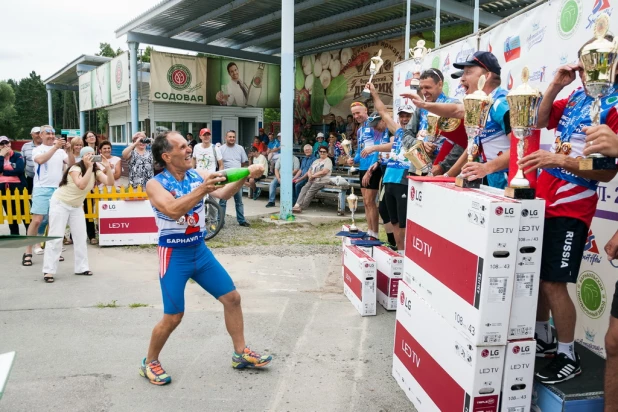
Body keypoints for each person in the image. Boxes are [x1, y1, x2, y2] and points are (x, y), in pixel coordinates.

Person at [139, 131, 271, 385]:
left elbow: (222, 194)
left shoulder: (197, 175)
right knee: (174, 316)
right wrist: (203, 189)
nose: (189, 149)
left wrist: (246, 175)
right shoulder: (156, 184)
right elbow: (173, 209)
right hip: (174, 254)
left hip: (199, 251)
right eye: (182, 146)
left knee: (232, 298)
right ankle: (150, 362)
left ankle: (240, 353)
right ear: (167, 156)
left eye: (188, 145)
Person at [516, 55, 618, 383]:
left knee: (553, 282)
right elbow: (540, 119)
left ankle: (567, 354)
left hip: (573, 203)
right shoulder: (576, 96)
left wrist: (557, 159)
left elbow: (604, 171)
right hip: (546, 197)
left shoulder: (614, 106)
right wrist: (556, 85)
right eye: (585, 66)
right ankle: (545, 337)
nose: (589, 73)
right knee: (539, 275)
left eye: (597, 67)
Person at [403, 51, 511, 188]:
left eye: (468, 72)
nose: (462, 79)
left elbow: (522, 147)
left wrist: (486, 168)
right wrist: (448, 175)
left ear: (487, 76)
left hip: (511, 182)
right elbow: (472, 148)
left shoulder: (500, 104)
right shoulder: (480, 105)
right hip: (493, 180)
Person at [41, 147, 115, 283]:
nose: (91, 157)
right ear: (82, 157)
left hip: (76, 206)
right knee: (56, 237)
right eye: (88, 155)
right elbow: (81, 185)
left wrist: (107, 168)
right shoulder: (75, 168)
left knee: (80, 237)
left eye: (93, 155)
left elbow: (110, 182)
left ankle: (82, 267)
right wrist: (88, 168)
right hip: (60, 204)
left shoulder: (96, 171)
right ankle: (48, 271)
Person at [368, 83, 419, 252]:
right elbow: (383, 112)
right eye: (402, 116)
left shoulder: (419, 135)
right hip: (389, 178)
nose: (405, 119)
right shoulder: (398, 132)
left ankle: (407, 254)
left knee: (404, 221)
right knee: (394, 220)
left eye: (408, 116)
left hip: (404, 179)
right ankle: (400, 252)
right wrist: (374, 94)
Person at [22, 126, 68, 267]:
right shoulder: (38, 149)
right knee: (37, 220)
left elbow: (71, 163)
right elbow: (41, 160)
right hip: (41, 188)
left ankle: (54, 250)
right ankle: (28, 251)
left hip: (58, 189)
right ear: (41, 135)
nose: (51, 136)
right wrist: (55, 148)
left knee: (54, 221)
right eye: (47, 133)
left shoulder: (60, 151)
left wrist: (70, 150)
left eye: (53, 133)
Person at [347, 102, 382, 238]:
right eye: (354, 114)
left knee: (370, 201)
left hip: (372, 168)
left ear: (366, 110)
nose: (356, 116)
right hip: (362, 167)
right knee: (366, 202)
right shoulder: (360, 129)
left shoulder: (375, 125)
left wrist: (373, 166)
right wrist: (353, 160)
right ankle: (369, 231)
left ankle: (375, 233)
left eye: (358, 113)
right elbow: (360, 150)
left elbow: (379, 147)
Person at [219, 130, 250, 227]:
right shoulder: (221, 149)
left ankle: (241, 220)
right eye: (230, 137)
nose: (232, 138)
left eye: (233, 137)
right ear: (226, 138)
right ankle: (220, 222)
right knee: (223, 201)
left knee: (239, 201)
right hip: (226, 178)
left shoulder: (240, 148)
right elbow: (219, 163)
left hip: (237, 178)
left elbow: (243, 162)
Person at [0, 136, 29, 235]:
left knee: (23, 211)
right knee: (10, 213)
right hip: (3, 188)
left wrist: (4, 173)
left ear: (10, 143)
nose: (5, 146)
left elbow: (20, 170)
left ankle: (29, 233)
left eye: (6, 143)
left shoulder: (17, 155)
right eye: (2, 144)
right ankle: (14, 234)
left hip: (19, 187)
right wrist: (1, 157)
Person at [292, 146, 332, 213]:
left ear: (327, 153)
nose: (322, 153)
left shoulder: (328, 161)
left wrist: (313, 176)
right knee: (304, 189)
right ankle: (297, 205)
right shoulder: (316, 161)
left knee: (310, 191)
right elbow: (309, 170)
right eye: (321, 151)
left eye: (324, 151)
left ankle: (302, 207)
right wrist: (310, 175)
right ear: (319, 152)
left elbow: (324, 172)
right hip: (312, 179)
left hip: (321, 181)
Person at [21, 127, 42, 193]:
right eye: (37, 133)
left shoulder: (47, 146)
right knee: (28, 195)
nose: (39, 135)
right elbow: (22, 162)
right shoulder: (26, 146)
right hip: (30, 177)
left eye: (41, 133)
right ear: (32, 135)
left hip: (44, 179)